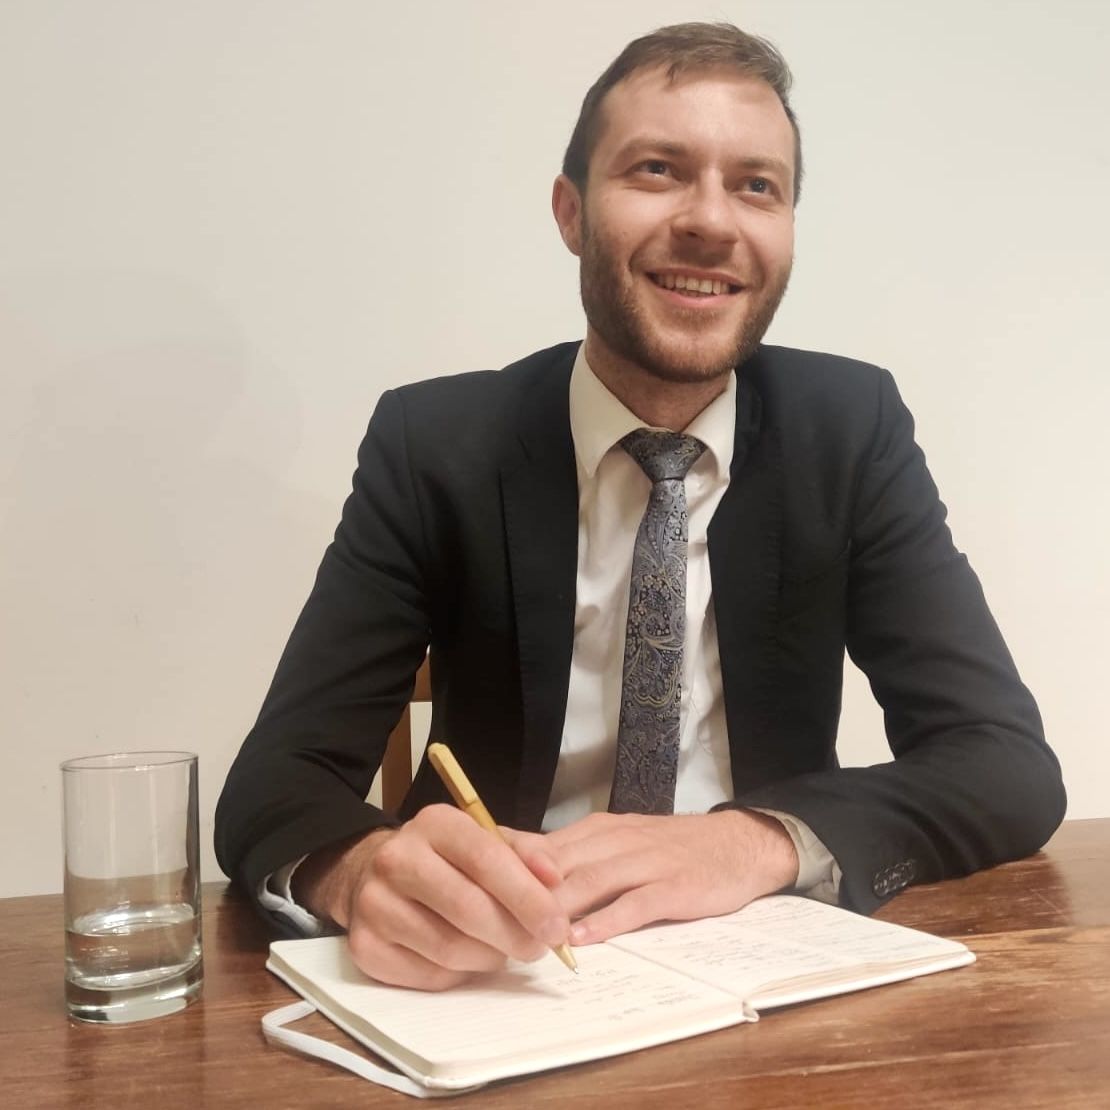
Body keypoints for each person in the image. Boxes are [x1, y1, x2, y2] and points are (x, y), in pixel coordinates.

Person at [214, 22, 1065, 991]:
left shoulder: (850, 429)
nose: (712, 220)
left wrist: (752, 843)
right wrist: (361, 870)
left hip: (761, 962)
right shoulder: (436, 444)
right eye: (659, 169)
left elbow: (1003, 762)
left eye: (757, 185)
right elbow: (272, 785)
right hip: (502, 973)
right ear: (571, 213)